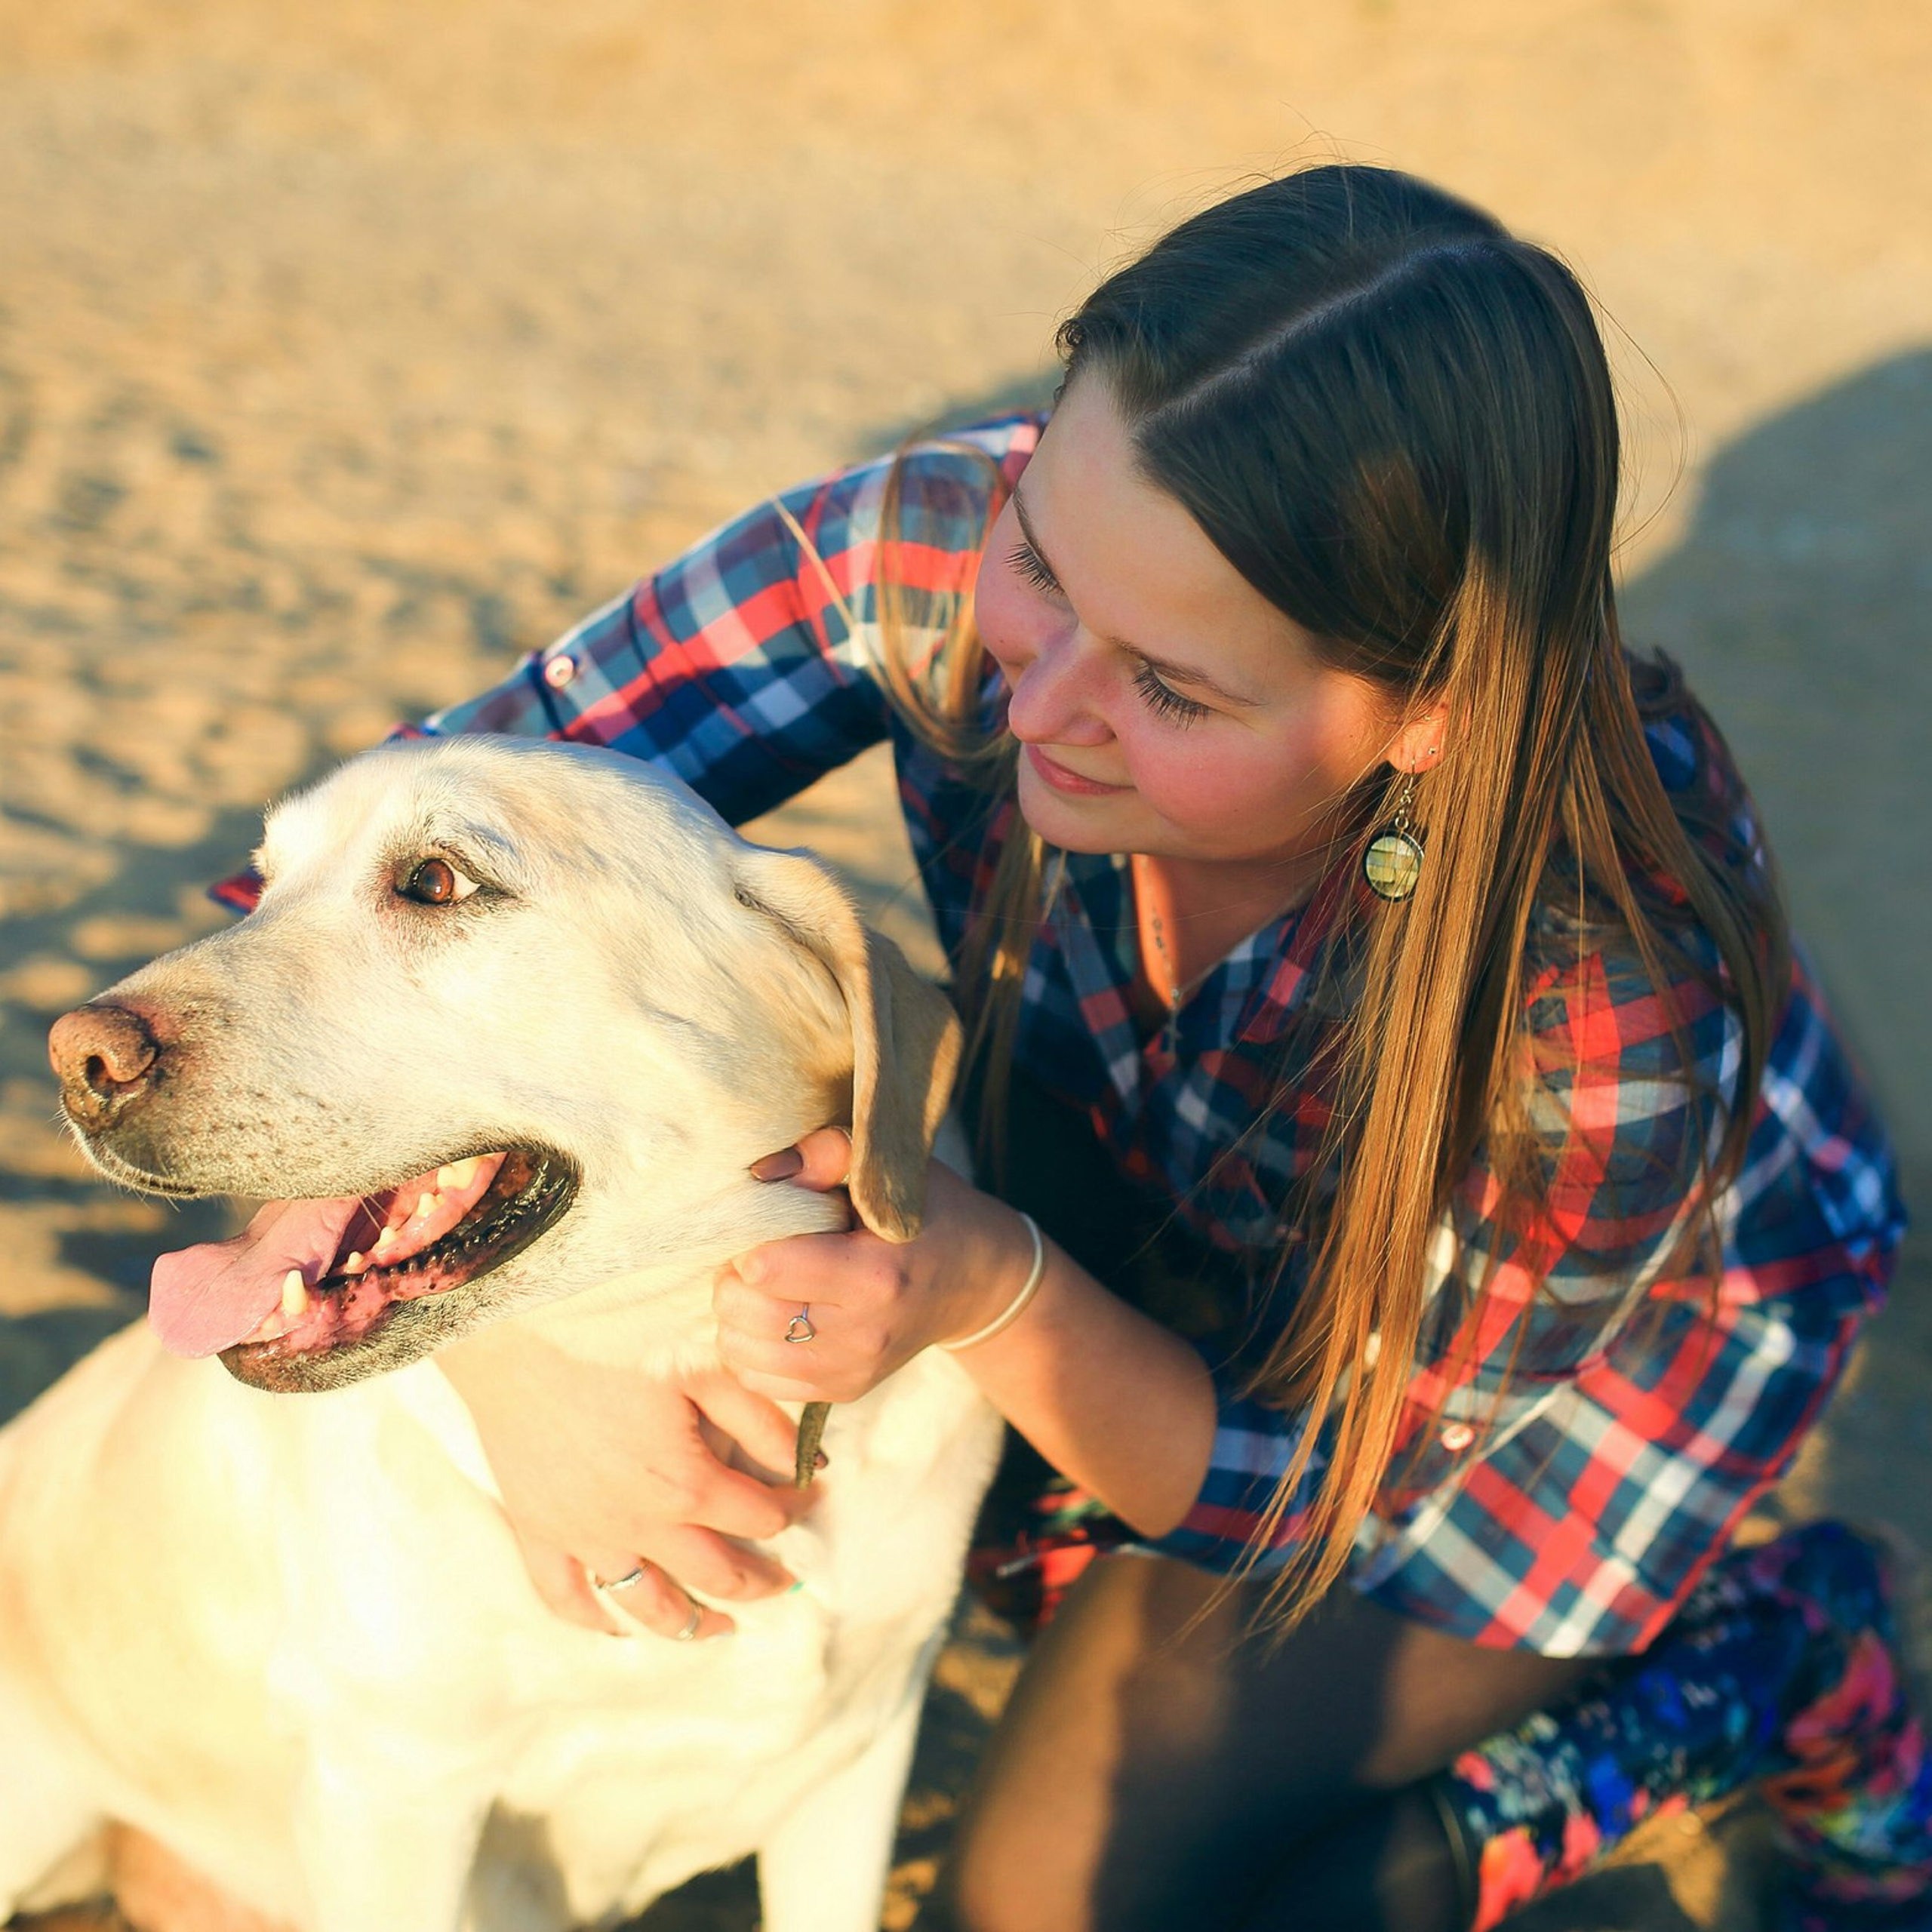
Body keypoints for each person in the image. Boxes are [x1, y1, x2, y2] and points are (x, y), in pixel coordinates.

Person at [401, 168, 1915, 1930]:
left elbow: (1299, 1492)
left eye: (1173, 691)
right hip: (1142, 1157)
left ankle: (1761, 1670)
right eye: (1040, 557)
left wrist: (977, 1289)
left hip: (1545, 1387)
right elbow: (367, 866)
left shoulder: (1605, 1007)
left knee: (1058, 1906)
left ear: (1426, 709)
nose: (1031, 702)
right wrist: (505, 1346)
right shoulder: (958, 544)